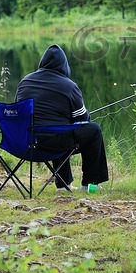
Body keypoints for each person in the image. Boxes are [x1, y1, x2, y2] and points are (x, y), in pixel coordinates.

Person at [15, 43, 108, 192]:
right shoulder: (69, 86)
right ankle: (90, 185)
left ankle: (63, 185)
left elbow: (18, 113)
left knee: (58, 127)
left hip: (24, 142)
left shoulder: (25, 82)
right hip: (54, 142)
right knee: (93, 130)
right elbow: (83, 119)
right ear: (65, 65)